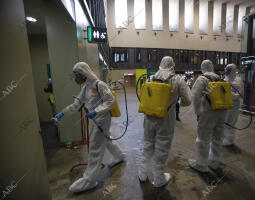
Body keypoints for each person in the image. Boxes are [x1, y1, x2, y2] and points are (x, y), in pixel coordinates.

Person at [53, 62, 125, 193]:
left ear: (83, 74)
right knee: (106, 139)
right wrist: (62, 113)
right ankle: (119, 156)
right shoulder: (86, 88)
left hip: (102, 119)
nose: (75, 78)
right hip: (96, 118)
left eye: (76, 75)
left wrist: (96, 111)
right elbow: (77, 104)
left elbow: (110, 102)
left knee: (95, 147)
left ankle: (90, 180)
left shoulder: (99, 85)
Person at [138, 56, 192, 187]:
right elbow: (188, 100)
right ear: (172, 65)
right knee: (162, 148)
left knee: (147, 144)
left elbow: (143, 95)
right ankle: (159, 179)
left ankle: (142, 173)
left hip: (149, 117)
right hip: (165, 119)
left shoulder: (150, 78)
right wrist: (177, 102)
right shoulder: (177, 80)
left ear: (161, 64)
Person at [188, 60, 227, 184]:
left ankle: (201, 164)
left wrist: (198, 112)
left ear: (202, 68)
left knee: (203, 138)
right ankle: (214, 162)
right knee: (217, 137)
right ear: (212, 67)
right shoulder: (220, 78)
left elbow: (195, 96)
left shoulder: (202, 79)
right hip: (222, 111)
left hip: (208, 112)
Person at [223, 64, 244, 153]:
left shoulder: (238, 81)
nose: (227, 71)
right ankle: (224, 139)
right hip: (225, 105)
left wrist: (229, 94)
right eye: (227, 69)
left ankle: (229, 140)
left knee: (231, 123)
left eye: (229, 70)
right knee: (224, 122)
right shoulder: (225, 79)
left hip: (234, 105)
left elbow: (239, 95)